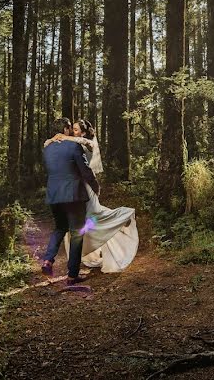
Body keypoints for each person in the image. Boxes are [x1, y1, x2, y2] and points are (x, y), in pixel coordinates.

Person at [47, 118, 139, 273]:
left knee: (96, 218)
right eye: (71, 129)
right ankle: (83, 259)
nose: (72, 132)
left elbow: (85, 158)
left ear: (82, 133)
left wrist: (61, 136)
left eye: (75, 130)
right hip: (77, 188)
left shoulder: (87, 144)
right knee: (85, 224)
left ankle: (124, 215)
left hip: (85, 188)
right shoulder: (73, 144)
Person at [39, 117, 100, 285]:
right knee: (76, 233)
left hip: (53, 194)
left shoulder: (47, 148)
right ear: (66, 129)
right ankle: (72, 275)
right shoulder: (74, 146)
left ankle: (48, 260)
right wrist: (95, 187)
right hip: (73, 194)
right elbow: (85, 171)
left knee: (59, 228)